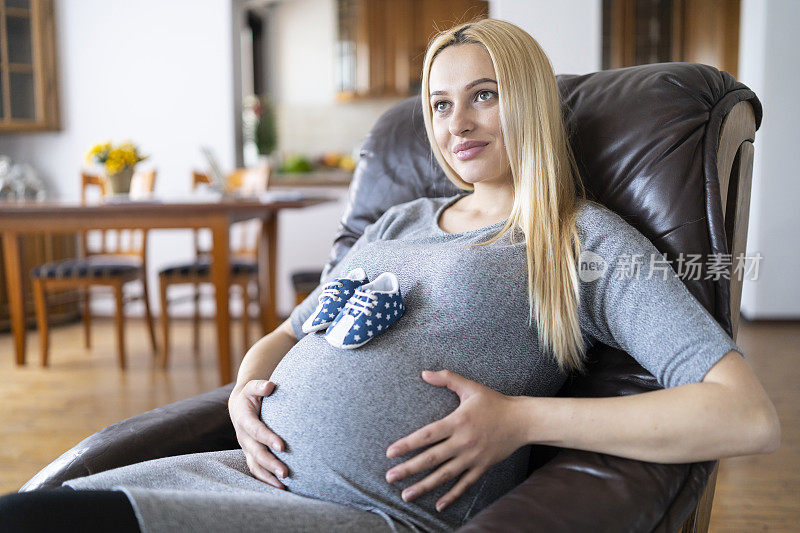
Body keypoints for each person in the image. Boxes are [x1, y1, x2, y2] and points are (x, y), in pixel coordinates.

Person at [0, 18, 780, 533]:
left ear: (533, 103)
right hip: (239, 472)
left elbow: (744, 416)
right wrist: (244, 389)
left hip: (355, 515)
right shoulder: (398, 221)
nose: (456, 123)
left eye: (484, 95)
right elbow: (286, 332)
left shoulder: (579, 239)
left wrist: (523, 418)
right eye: (440, 104)